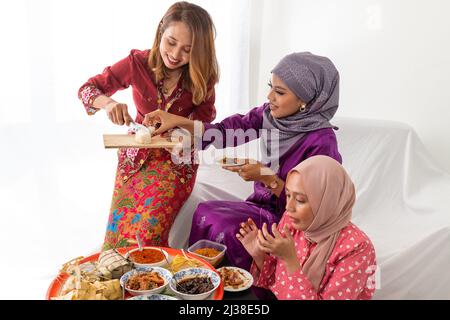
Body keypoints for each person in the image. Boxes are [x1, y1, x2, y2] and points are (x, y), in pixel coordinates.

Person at [143, 52, 341, 269]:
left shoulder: (322, 142)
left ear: (305, 100)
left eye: (279, 92)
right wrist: (177, 121)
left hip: (295, 223)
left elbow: (317, 208)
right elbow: (223, 132)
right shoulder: (269, 116)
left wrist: (266, 177)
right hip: (262, 208)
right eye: (270, 86)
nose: (269, 96)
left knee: (228, 228)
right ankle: (202, 279)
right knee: (204, 212)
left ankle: (242, 289)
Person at [77, 1, 219, 250]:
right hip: (135, 159)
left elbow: (204, 125)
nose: (176, 55)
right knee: (117, 236)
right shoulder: (137, 63)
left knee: (148, 231)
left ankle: (151, 284)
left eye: (188, 50)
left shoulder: (203, 77)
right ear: (160, 31)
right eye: (171, 42)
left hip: (177, 162)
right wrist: (108, 103)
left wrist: (181, 133)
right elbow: (87, 89)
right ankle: (116, 284)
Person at [237, 155, 377, 300]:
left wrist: (290, 260)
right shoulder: (291, 222)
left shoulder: (358, 249)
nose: (288, 207)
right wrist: (259, 255)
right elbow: (279, 282)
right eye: (288, 195)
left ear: (327, 202)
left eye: (300, 200)